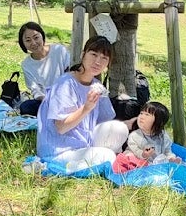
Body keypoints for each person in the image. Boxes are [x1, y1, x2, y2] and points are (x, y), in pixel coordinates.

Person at [36, 37, 129, 172]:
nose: (98, 61)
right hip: (58, 150)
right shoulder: (65, 84)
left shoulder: (97, 86)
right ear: (82, 55)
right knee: (108, 156)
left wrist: (133, 123)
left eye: (104, 58)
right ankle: (66, 167)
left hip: (83, 144)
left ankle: (92, 162)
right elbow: (61, 127)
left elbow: (105, 123)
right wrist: (86, 108)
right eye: (94, 54)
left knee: (119, 129)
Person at [18, 22, 71, 116]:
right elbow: (35, 90)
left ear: (42, 36)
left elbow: (71, 74)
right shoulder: (26, 64)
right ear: (23, 43)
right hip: (46, 101)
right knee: (25, 107)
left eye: (36, 37)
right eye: (28, 40)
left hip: (67, 96)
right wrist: (48, 101)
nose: (33, 43)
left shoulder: (59, 50)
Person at [123, 101, 181, 165]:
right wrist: (143, 154)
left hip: (155, 163)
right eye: (141, 113)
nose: (142, 117)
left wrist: (171, 158)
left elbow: (167, 151)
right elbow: (135, 150)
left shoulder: (163, 136)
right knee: (129, 156)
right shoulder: (135, 136)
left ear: (159, 122)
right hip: (139, 160)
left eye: (147, 115)